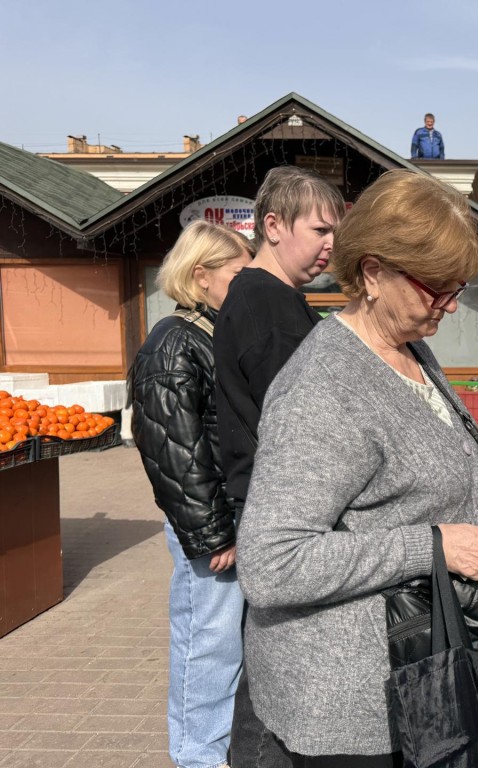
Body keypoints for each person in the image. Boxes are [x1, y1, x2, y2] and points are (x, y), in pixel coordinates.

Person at [234, 169, 478, 766]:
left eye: (458, 287)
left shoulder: (410, 346)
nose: (452, 305)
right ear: (373, 272)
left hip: (421, 677)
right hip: (351, 710)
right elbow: (271, 564)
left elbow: (415, 475)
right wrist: (431, 547)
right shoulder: (322, 387)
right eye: (436, 287)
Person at [214, 165, 346, 768]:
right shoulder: (269, 307)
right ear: (272, 225)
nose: (330, 246)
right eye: (320, 229)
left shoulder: (264, 297)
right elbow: (302, 425)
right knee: (276, 680)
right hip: (284, 511)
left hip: (266, 504)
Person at [131, 220, 255, 768]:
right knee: (208, 645)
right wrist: (211, 534)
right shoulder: (173, 342)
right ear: (200, 275)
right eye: (239, 274)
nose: (248, 284)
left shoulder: (210, 333)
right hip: (211, 526)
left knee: (224, 645)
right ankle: (197, 758)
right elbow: (171, 453)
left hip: (226, 517)